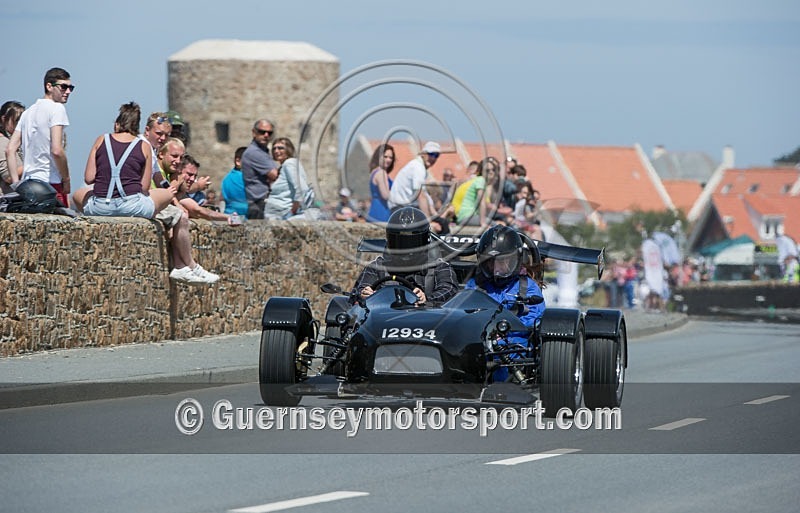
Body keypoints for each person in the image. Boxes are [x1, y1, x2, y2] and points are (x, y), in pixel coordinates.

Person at [465, 225, 546, 381]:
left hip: (515, 339)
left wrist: (504, 336)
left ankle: (501, 388)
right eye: (490, 262)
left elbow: (535, 319)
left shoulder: (527, 287)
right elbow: (462, 312)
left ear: (515, 260)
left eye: (502, 262)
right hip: (479, 338)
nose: (496, 268)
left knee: (502, 354)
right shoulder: (475, 284)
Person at [72, 102, 174, 218]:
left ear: (118, 123)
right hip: (132, 207)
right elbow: (144, 187)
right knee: (167, 194)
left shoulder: (101, 140)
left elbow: (89, 178)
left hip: (100, 207)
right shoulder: (144, 146)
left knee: (77, 194)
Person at [352, 206, 458, 306]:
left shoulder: (439, 267)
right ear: (390, 240)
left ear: (425, 240)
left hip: (426, 321)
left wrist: (427, 298)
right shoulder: (376, 267)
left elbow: (449, 290)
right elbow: (356, 294)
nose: (405, 249)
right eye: (400, 242)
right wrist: (364, 294)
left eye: (411, 242)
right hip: (384, 320)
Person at [5, 67, 74, 207]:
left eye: (70, 87)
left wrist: (16, 184)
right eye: (63, 87)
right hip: (51, 183)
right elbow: (57, 150)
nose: (68, 91)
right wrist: (66, 179)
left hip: (29, 183)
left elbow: (10, 150)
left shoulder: (28, 113)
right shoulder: (57, 109)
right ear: (49, 86)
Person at [172, 154, 235, 223]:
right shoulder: (172, 187)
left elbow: (198, 210)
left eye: (195, 176)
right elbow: (198, 211)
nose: (192, 179)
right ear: (178, 170)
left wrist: (227, 217)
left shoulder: (181, 192)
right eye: (189, 174)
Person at [264, 137, 314, 220]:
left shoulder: (289, 164)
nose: (276, 151)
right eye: (274, 148)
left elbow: (301, 188)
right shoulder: (283, 166)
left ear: (289, 150)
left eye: (280, 148)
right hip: (277, 214)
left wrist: (292, 211)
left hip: (283, 214)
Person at [388, 141, 440, 217]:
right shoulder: (418, 167)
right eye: (431, 154)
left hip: (403, 208)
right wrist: (428, 221)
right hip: (401, 209)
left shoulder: (420, 168)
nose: (433, 158)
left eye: (436, 155)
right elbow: (420, 195)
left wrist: (435, 214)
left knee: (442, 223)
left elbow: (425, 196)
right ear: (423, 154)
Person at [241, 119, 279, 219]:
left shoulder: (263, 152)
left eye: (269, 133)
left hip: (262, 203)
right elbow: (275, 175)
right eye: (262, 132)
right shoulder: (255, 153)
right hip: (258, 204)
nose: (266, 135)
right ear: (254, 132)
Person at [140, 111, 173, 188]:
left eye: (167, 135)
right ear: (147, 130)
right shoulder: (141, 146)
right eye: (159, 133)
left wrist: (170, 192)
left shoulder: (153, 149)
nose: (163, 138)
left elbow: (159, 178)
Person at [0, 101, 25, 195]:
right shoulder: (2, 142)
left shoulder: (10, 142)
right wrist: (33, 164)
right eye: (17, 120)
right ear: (4, 119)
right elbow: (8, 177)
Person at [366, 143, 395, 222]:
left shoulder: (374, 172)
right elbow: (386, 195)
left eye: (391, 158)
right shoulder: (381, 173)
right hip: (382, 211)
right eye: (385, 157)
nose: (388, 160)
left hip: (374, 209)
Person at [221, 146, 248, 216]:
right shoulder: (246, 178)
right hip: (246, 217)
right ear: (238, 161)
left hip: (228, 216)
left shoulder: (226, 178)